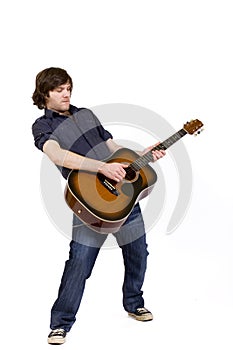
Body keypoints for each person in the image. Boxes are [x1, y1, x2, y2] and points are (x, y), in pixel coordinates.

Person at [32, 67, 166, 345]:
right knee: (79, 262)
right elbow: (56, 154)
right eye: (59, 90)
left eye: (68, 87)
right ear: (45, 93)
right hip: (90, 203)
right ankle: (60, 323)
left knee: (138, 251)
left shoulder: (87, 114)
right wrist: (102, 168)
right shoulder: (42, 126)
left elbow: (114, 149)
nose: (66, 93)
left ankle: (133, 303)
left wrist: (145, 154)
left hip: (123, 198)